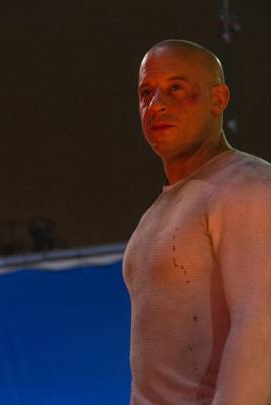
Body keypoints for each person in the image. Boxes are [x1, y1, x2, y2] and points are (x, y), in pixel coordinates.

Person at [123, 39, 271, 404]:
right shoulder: (156, 213)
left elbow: (261, 328)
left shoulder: (247, 185)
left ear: (218, 99)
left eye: (176, 88)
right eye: (146, 93)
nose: (156, 105)